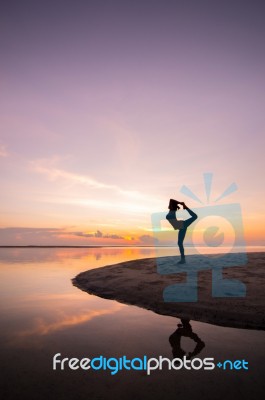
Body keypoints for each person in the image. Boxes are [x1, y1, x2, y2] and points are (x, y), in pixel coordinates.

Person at [166, 198, 198, 264]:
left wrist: (181, 203)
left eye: (171, 205)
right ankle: (183, 259)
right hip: (181, 227)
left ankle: (183, 259)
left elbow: (171, 200)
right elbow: (171, 201)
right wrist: (180, 204)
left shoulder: (173, 210)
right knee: (180, 243)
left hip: (182, 225)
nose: (169, 205)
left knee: (195, 216)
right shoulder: (171, 210)